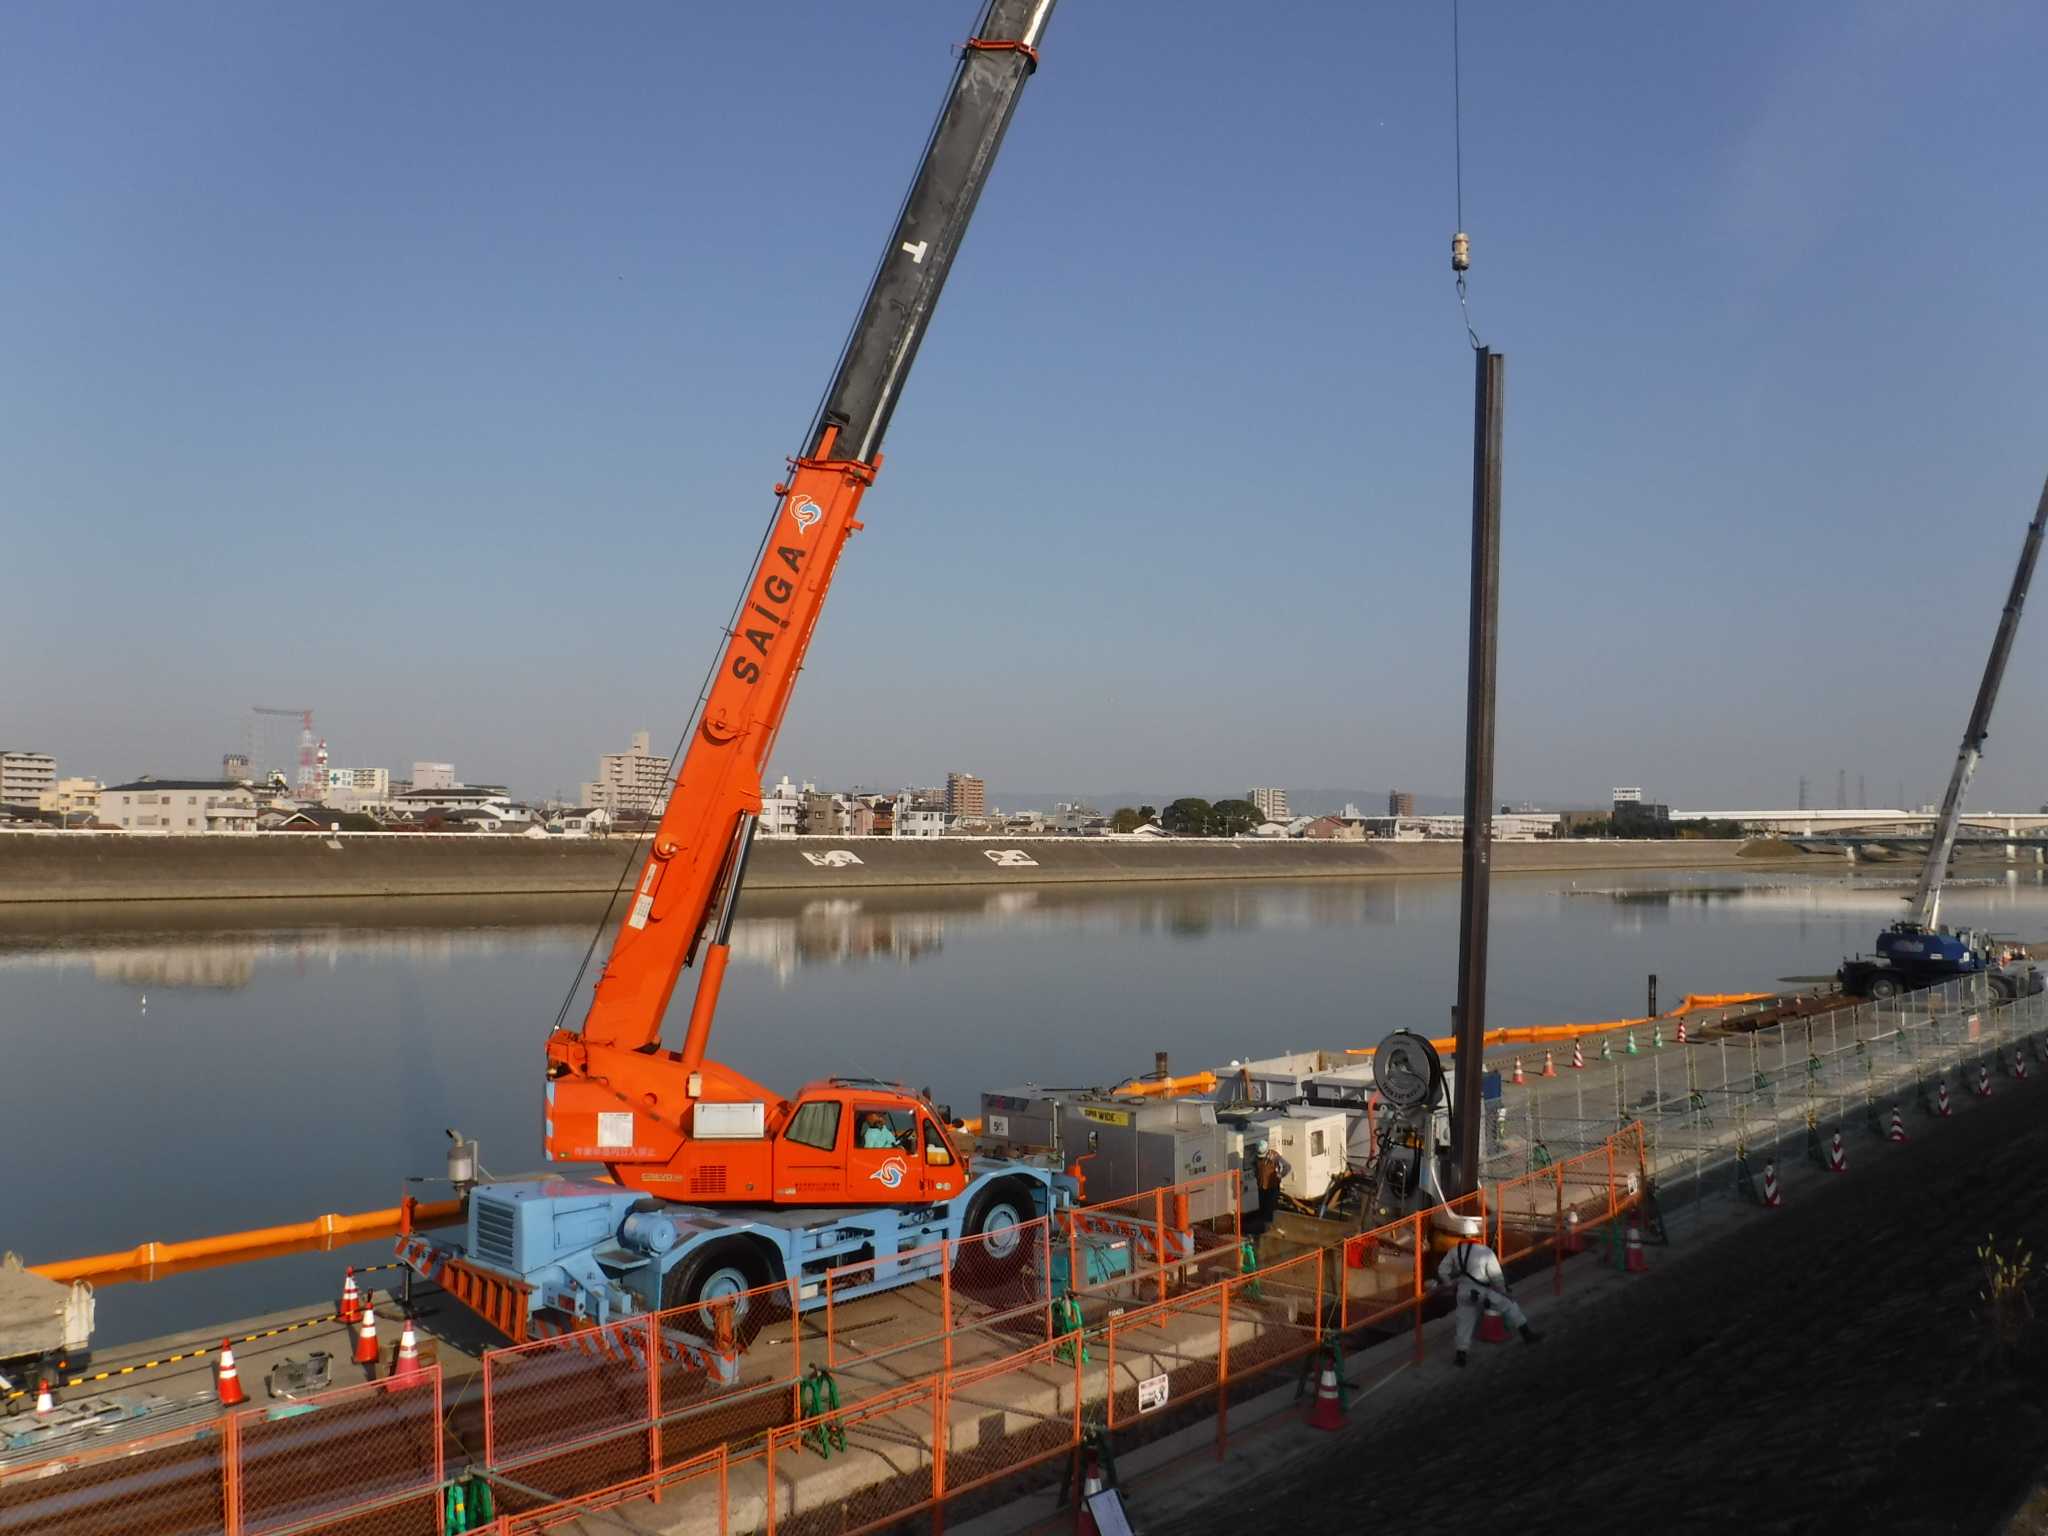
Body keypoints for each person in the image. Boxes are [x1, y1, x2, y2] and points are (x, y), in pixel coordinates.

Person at [1435, 1215, 1541, 1366]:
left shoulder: (1454, 1251)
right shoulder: (1484, 1252)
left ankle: (1461, 1356)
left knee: (1464, 1323)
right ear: (1477, 1235)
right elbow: (1496, 1275)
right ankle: (1527, 1335)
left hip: (1463, 1291)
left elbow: (1442, 1270)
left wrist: (1448, 1284)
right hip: (1482, 1292)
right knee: (1509, 1306)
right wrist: (1503, 1291)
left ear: (1461, 1235)